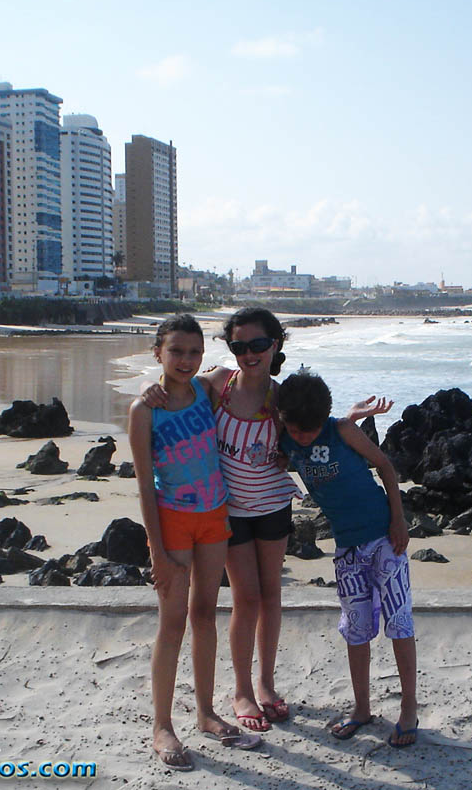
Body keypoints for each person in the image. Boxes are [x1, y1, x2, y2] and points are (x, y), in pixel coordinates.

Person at [142, 307, 391, 732]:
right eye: (240, 346)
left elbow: (317, 426)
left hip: (274, 505)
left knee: (271, 596)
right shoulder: (217, 384)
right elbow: (177, 387)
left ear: (275, 345)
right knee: (246, 598)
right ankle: (241, 690)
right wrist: (150, 394)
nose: (249, 353)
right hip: (229, 512)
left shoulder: (281, 399)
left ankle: (266, 683)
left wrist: (350, 419)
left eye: (259, 344)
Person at [127, 314, 261, 771]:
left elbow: (253, 375)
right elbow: (145, 485)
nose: (185, 360)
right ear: (158, 352)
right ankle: (162, 725)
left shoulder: (206, 390)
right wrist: (157, 551)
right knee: (173, 622)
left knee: (204, 614)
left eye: (194, 352)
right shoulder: (145, 410)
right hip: (173, 522)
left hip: (214, 517)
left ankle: (205, 713)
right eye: (176, 351)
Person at [277, 368, 419, 748]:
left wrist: (399, 520)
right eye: (295, 431)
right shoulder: (286, 437)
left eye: (308, 431)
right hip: (346, 550)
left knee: (399, 622)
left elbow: (386, 467)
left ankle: (409, 706)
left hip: (385, 540)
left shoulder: (342, 431)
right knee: (355, 629)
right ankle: (362, 708)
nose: (302, 439)